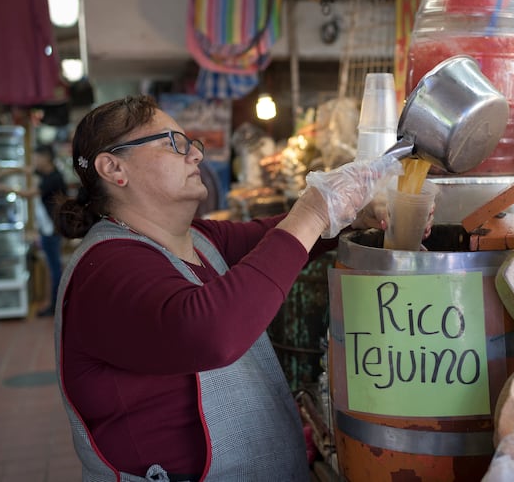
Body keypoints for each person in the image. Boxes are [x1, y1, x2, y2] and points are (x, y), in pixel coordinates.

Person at [52, 95, 402, 482]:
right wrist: (315, 210)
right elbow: (211, 333)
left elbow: (272, 237)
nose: (195, 155)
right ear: (114, 167)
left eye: (192, 143)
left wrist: (351, 215)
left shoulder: (200, 239)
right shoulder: (103, 270)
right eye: (174, 143)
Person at [27, 144, 68, 317]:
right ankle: (55, 304)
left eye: (37, 157)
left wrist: (3, 189)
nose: (35, 161)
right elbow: (27, 170)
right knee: (54, 267)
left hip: (52, 230)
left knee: (54, 268)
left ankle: (55, 306)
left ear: (46, 158)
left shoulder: (53, 178)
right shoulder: (47, 174)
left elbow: (29, 193)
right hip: (48, 228)